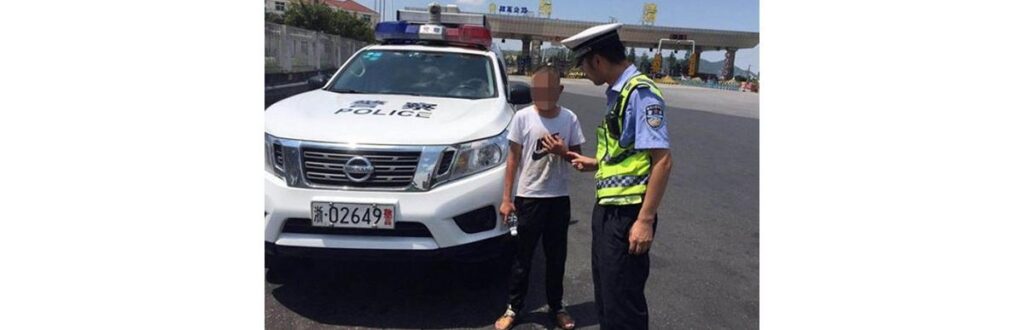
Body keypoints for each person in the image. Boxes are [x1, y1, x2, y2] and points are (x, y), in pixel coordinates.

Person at [560, 23, 674, 330]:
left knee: (623, 302)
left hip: (629, 214)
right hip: (609, 209)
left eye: (583, 66)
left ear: (597, 60)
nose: (584, 73)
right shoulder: (618, 93)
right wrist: (595, 163)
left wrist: (645, 220)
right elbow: (626, 151)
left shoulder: (641, 93)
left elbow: (662, 161)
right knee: (607, 295)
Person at [494, 66, 585, 330]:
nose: (542, 95)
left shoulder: (569, 118)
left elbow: (578, 159)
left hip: (558, 198)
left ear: (560, 90)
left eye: (548, 89)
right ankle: (513, 308)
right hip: (529, 197)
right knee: (522, 258)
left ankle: (557, 306)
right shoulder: (522, 117)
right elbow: (512, 160)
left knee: (556, 258)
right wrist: (507, 199)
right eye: (537, 90)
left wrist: (563, 151)